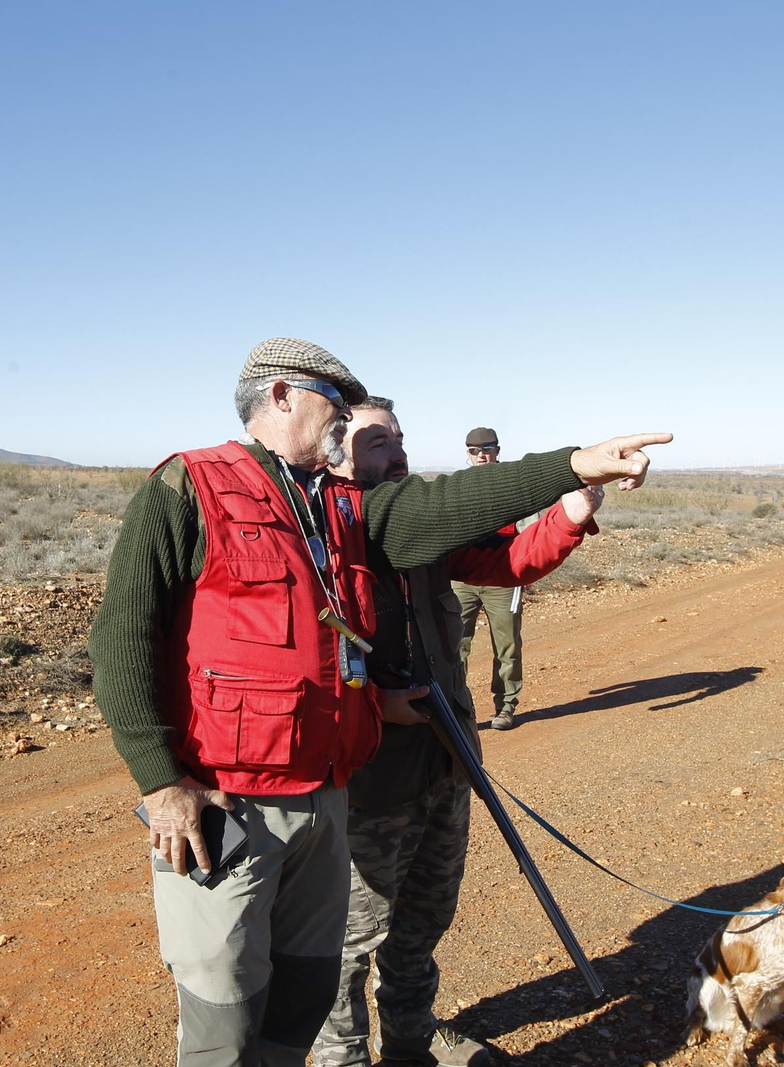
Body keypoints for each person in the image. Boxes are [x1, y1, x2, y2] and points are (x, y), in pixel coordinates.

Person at [89, 336, 671, 1067]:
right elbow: (121, 639)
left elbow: (462, 512)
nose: (361, 435)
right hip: (244, 799)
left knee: (308, 991)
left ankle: (406, 1046)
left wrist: (571, 477)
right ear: (279, 397)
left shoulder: (342, 510)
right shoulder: (193, 487)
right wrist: (159, 778)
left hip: (337, 790)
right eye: (341, 412)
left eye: (390, 434)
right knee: (232, 1006)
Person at [314, 398, 606, 1067]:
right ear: (331, 451)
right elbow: (304, 652)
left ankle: (412, 1047)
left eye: (401, 438)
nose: (398, 453)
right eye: (378, 440)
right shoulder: (323, 535)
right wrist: (371, 701)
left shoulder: (422, 524)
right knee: (348, 946)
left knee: (422, 923)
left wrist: (571, 512)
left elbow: (508, 559)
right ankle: (344, 1059)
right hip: (368, 780)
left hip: (445, 762)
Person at [450, 427, 530, 730]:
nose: (481, 455)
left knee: (507, 645)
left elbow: (530, 530)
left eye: (487, 449)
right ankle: (457, 709)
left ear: (498, 450)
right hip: (462, 579)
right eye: (474, 450)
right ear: (467, 454)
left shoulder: (513, 484)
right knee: (455, 645)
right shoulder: (457, 485)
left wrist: (526, 570)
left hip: (503, 578)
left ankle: (506, 706)